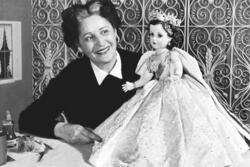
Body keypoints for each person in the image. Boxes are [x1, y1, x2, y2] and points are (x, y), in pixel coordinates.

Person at [88, 9, 250, 167]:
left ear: (170, 38)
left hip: (175, 87)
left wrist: (172, 74)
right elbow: (147, 76)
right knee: (146, 119)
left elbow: (177, 72)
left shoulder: (173, 55)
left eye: (159, 35)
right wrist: (134, 85)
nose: (154, 39)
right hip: (156, 89)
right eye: (151, 34)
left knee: (181, 120)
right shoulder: (150, 57)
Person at [18, 0, 141, 144]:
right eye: (89, 38)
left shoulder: (144, 64)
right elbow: (27, 120)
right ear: (79, 46)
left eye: (104, 31)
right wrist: (62, 129)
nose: (101, 43)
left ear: (115, 32)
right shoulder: (71, 77)